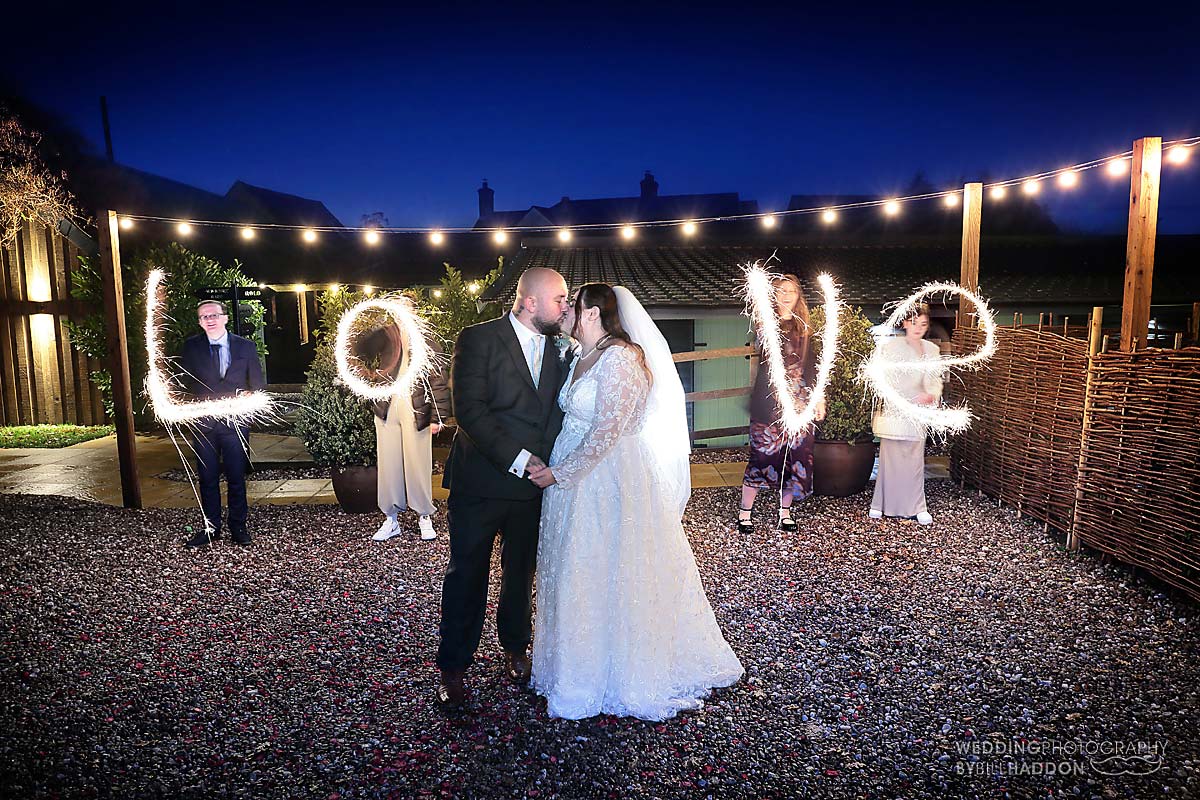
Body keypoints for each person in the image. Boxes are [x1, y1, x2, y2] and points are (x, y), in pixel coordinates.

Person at [528, 283, 743, 720]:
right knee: (575, 566)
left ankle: (617, 672)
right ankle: (573, 666)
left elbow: (608, 431)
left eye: (573, 304)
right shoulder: (579, 355)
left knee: (608, 565)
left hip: (605, 478)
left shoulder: (622, 359)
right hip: (571, 485)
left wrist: (560, 473)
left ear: (592, 313)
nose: (566, 309)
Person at [436, 267, 572, 709]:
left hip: (534, 488)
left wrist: (550, 464)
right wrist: (521, 459)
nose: (565, 307)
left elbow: (557, 413)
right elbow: (470, 411)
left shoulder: (562, 349)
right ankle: (453, 668)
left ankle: (516, 648)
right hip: (481, 483)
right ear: (530, 302)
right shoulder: (477, 339)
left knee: (521, 575)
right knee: (466, 576)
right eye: (560, 299)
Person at [738, 273, 824, 534]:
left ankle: (785, 512)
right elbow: (765, 346)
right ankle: (745, 512)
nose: (787, 295)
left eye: (792, 291)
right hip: (770, 402)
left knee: (795, 456)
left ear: (799, 296)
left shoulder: (806, 330)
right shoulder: (766, 324)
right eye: (781, 290)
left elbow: (812, 367)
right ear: (774, 295)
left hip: (800, 403)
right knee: (762, 455)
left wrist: (818, 397)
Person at [179, 300, 266, 547]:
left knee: (236, 476)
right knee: (207, 478)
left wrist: (251, 397)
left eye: (214, 315)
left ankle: (238, 527)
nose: (210, 319)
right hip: (204, 424)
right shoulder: (192, 347)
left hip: (235, 423)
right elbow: (183, 384)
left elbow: (258, 384)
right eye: (204, 317)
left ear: (225, 318)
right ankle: (211, 528)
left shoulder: (246, 347)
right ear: (199, 322)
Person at [365, 322, 451, 542]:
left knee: (418, 463)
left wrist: (438, 415)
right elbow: (363, 348)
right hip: (387, 407)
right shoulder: (386, 338)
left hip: (416, 410)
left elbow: (438, 380)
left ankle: (424, 515)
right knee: (389, 463)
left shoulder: (428, 342)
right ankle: (391, 518)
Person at [869, 304, 942, 525]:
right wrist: (901, 399)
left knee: (914, 460)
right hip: (896, 408)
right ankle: (880, 504)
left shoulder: (932, 350)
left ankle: (916, 506)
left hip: (918, 411)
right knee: (890, 459)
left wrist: (931, 395)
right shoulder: (891, 347)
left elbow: (935, 378)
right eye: (913, 322)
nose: (918, 328)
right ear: (905, 323)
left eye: (923, 324)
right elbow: (884, 378)